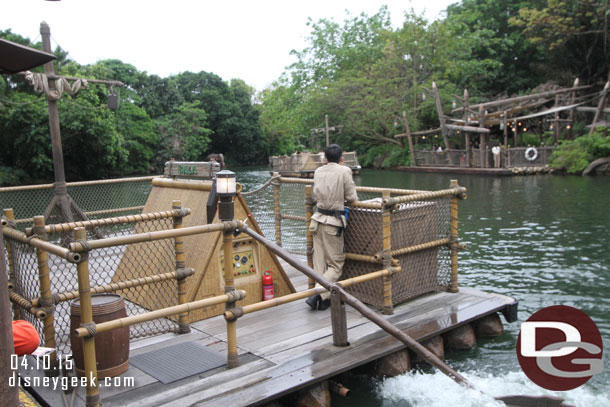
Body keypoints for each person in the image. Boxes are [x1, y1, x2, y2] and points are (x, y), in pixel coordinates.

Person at [306, 144, 358, 311]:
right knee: (336, 266)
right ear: (341, 159)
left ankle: (322, 299)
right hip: (333, 223)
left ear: (325, 159)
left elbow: (314, 195)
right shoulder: (344, 171)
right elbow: (351, 197)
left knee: (319, 264)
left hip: (317, 219)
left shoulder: (318, 171)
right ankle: (317, 295)